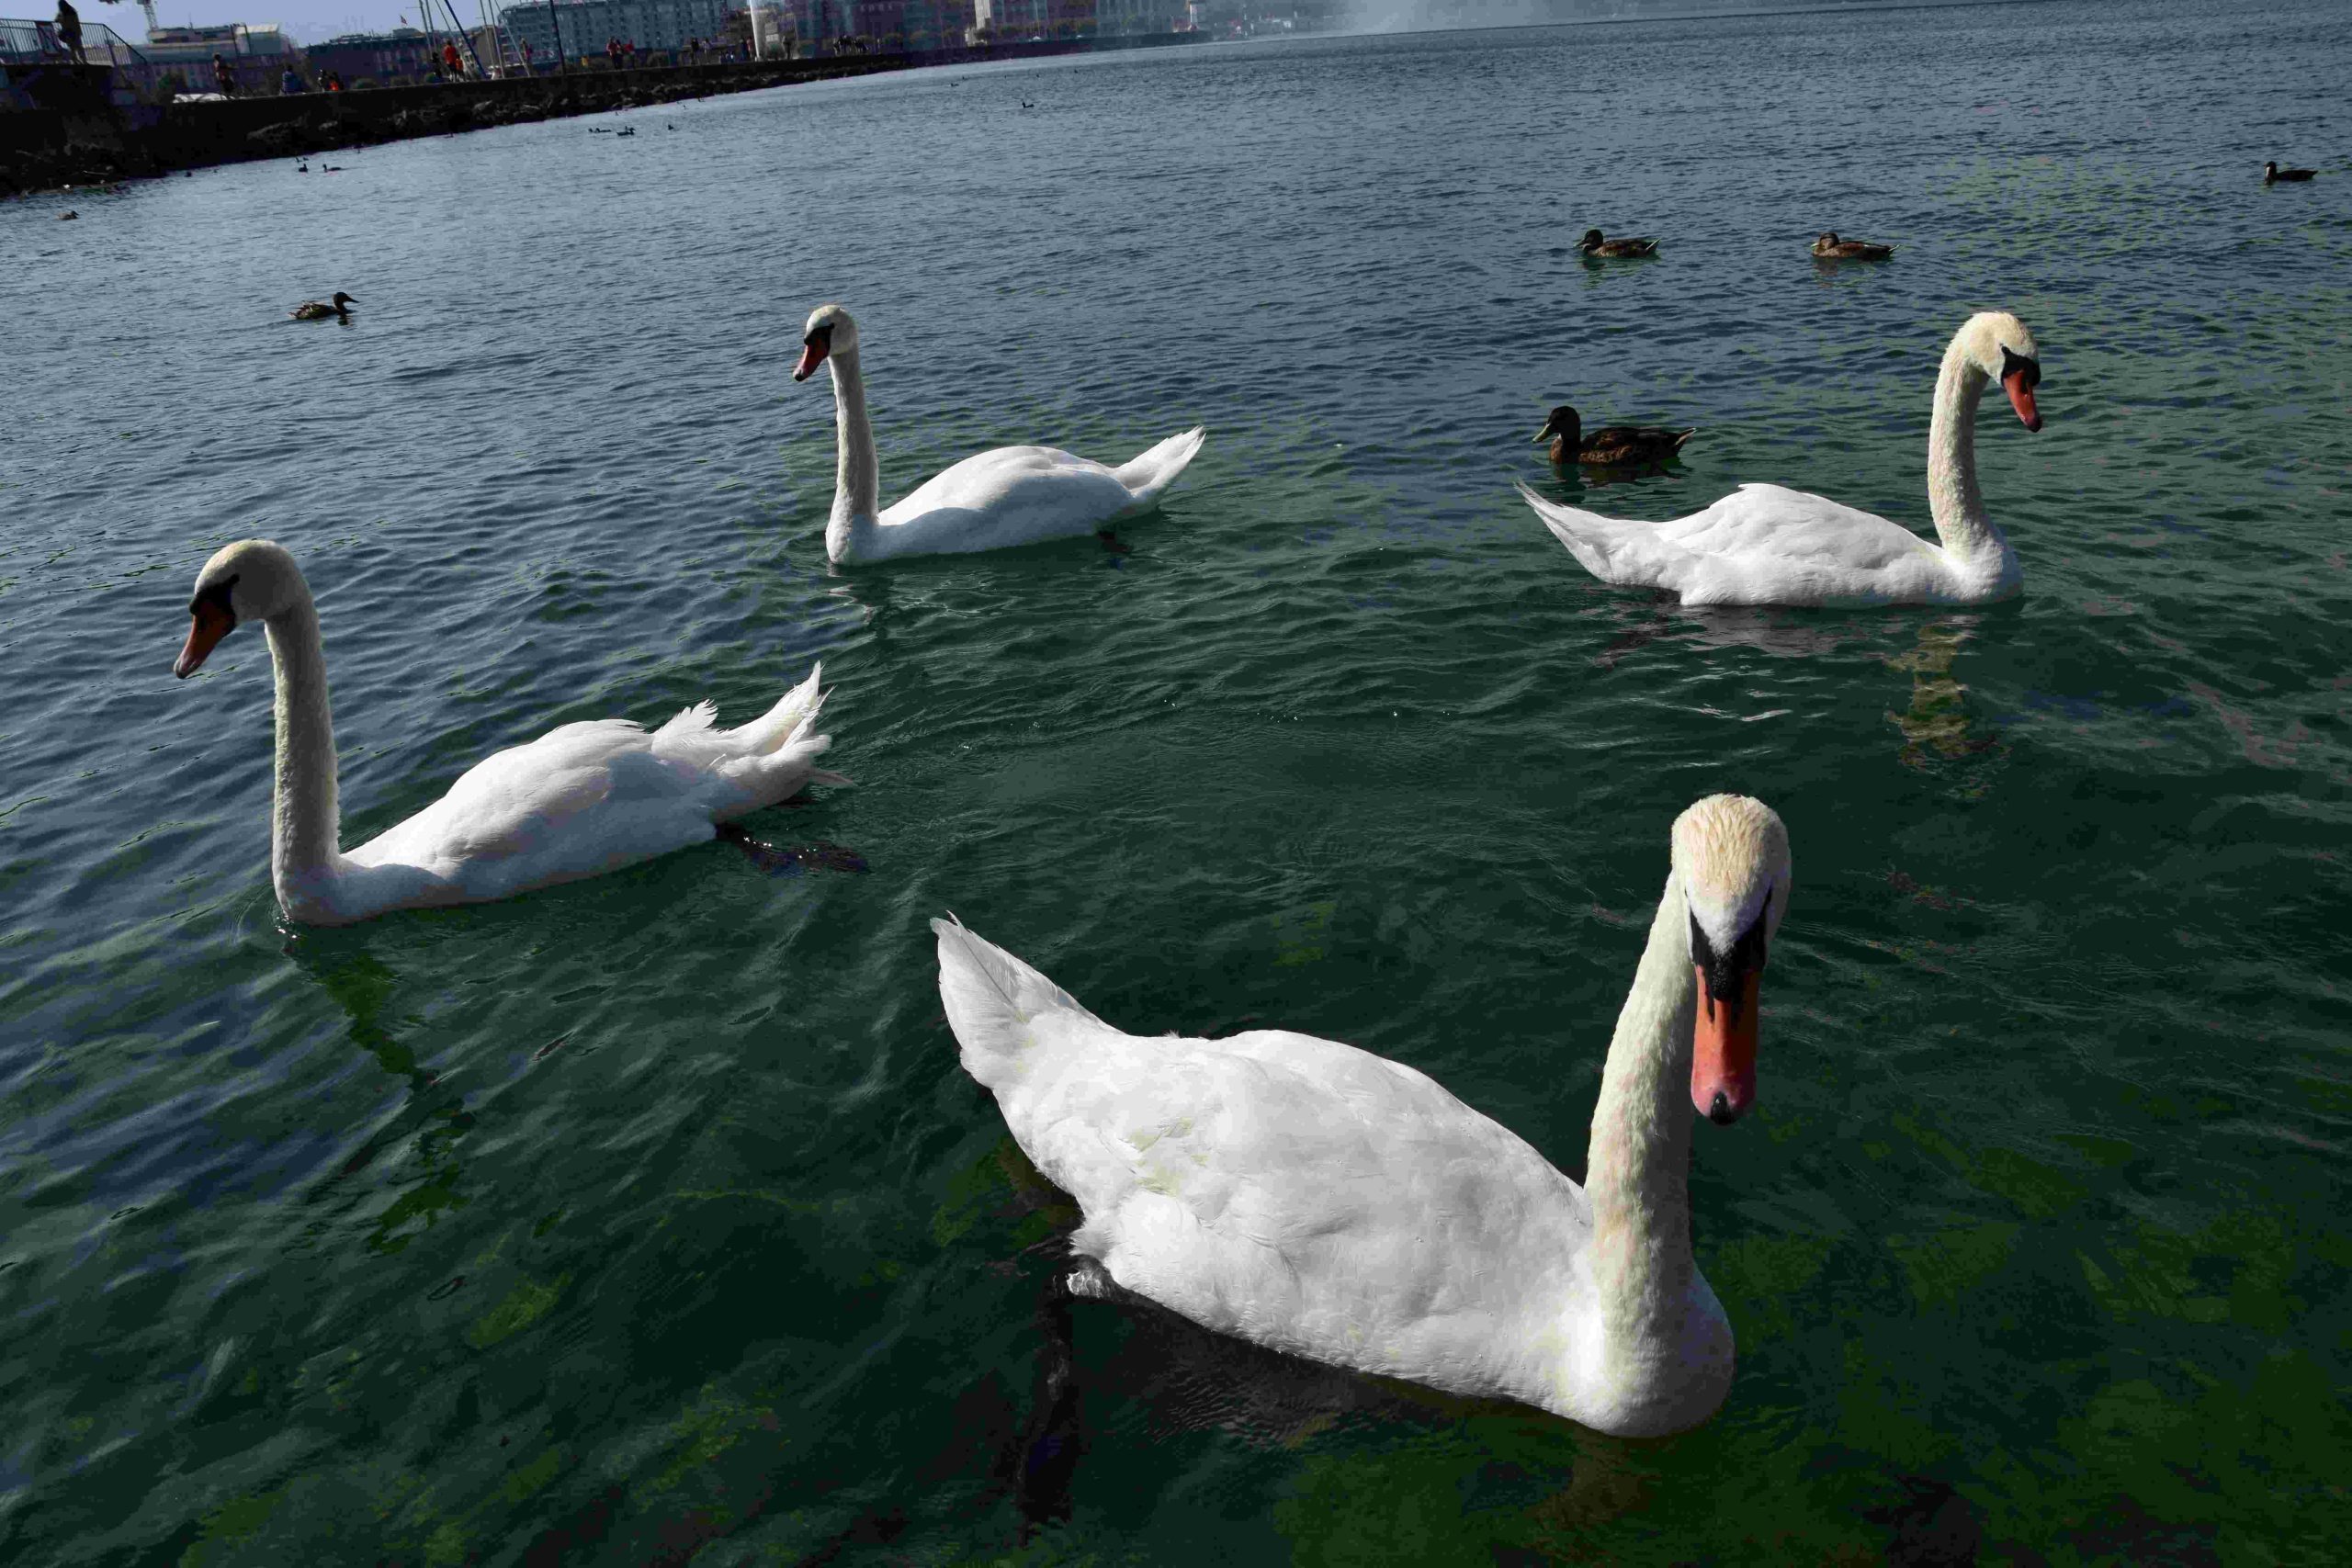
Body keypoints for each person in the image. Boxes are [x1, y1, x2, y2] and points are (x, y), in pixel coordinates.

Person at [55, 0, 86, 66]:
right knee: (78, 47)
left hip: (68, 32)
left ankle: (76, 61)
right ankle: (83, 61)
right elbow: (75, 22)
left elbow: (57, 20)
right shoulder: (72, 10)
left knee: (72, 48)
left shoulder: (62, 13)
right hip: (75, 32)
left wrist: (61, 20)